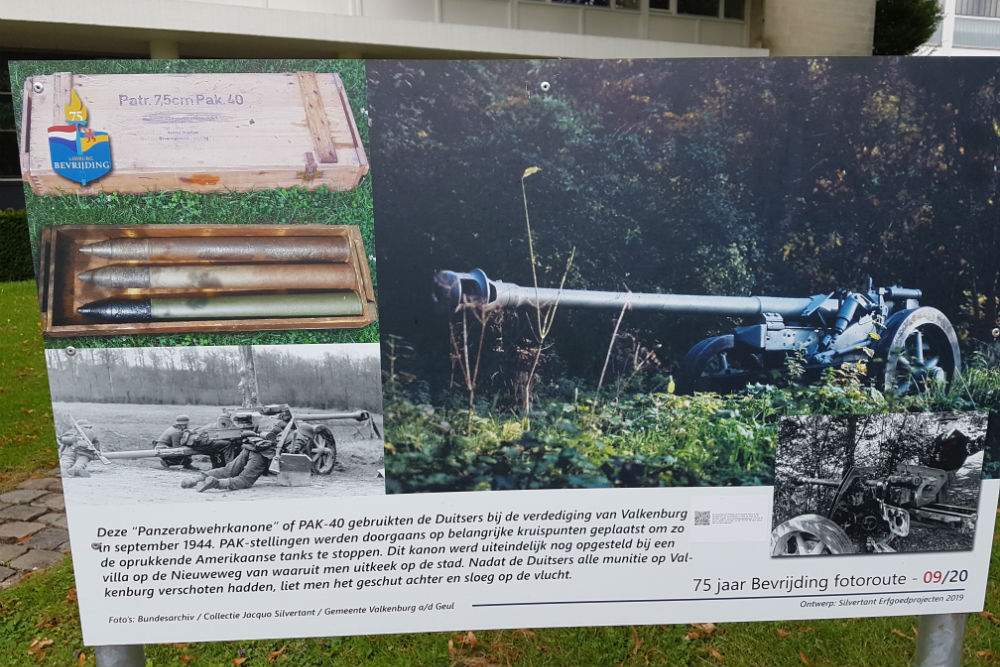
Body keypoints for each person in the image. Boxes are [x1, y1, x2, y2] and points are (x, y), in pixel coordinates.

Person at [180, 432, 276, 492]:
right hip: (263, 452)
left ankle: (195, 479)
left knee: (229, 470)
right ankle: (218, 483)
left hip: (251, 445)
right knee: (244, 480)